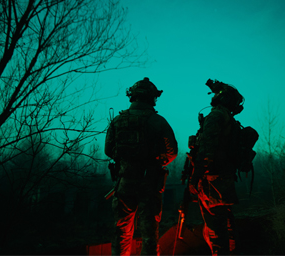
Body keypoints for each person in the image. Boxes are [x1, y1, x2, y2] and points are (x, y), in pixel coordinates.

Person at [105, 77, 178, 255]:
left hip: (123, 184)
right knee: (149, 235)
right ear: (152, 97)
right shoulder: (158, 121)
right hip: (149, 184)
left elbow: (108, 150)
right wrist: (155, 163)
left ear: (133, 96)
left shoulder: (117, 121)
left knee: (121, 231)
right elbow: (172, 152)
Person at [188, 79, 245, 255]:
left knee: (215, 230)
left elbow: (206, 151)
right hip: (223, 178)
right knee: (225, 223)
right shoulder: (229, 118)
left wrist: (195, 178)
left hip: (212, 180)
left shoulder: (216, 116)